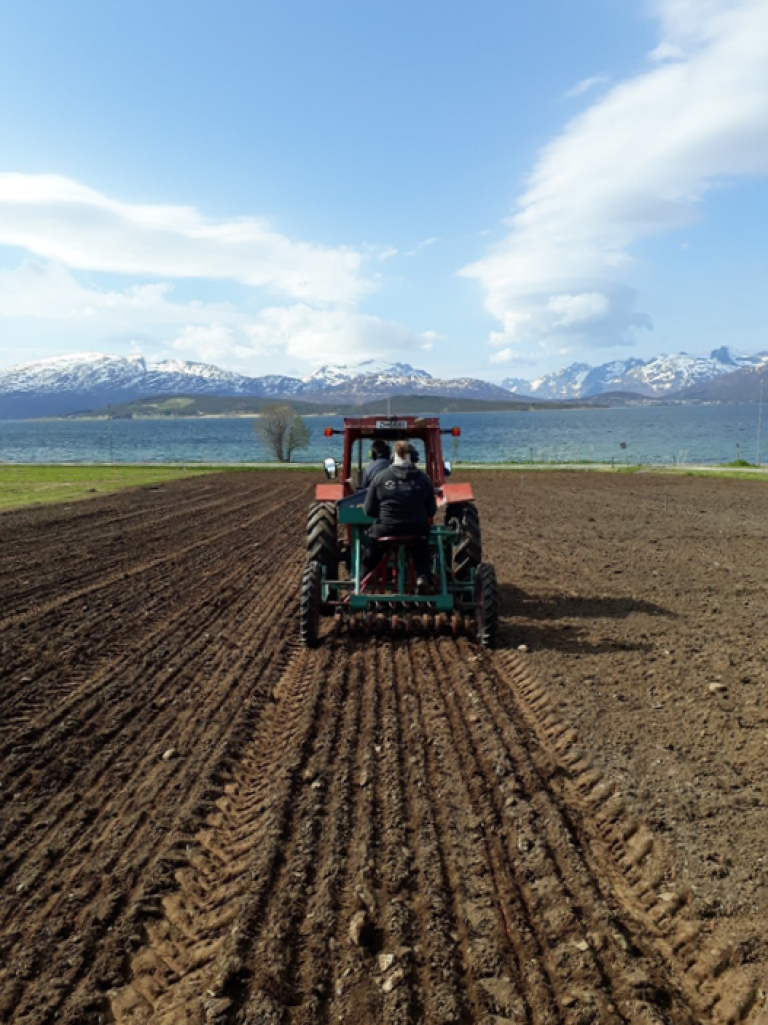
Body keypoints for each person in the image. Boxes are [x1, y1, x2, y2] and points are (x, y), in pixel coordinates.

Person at [362, 439, 437, 593]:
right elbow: (431, 511)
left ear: (393, 457)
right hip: (416, 529)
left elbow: (368, 511)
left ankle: (364, 576)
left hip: (387, 528)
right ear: (413, 457)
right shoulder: (424, 479)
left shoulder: (380, 478)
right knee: (421, 544)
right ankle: (422, 576)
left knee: (372, 544)